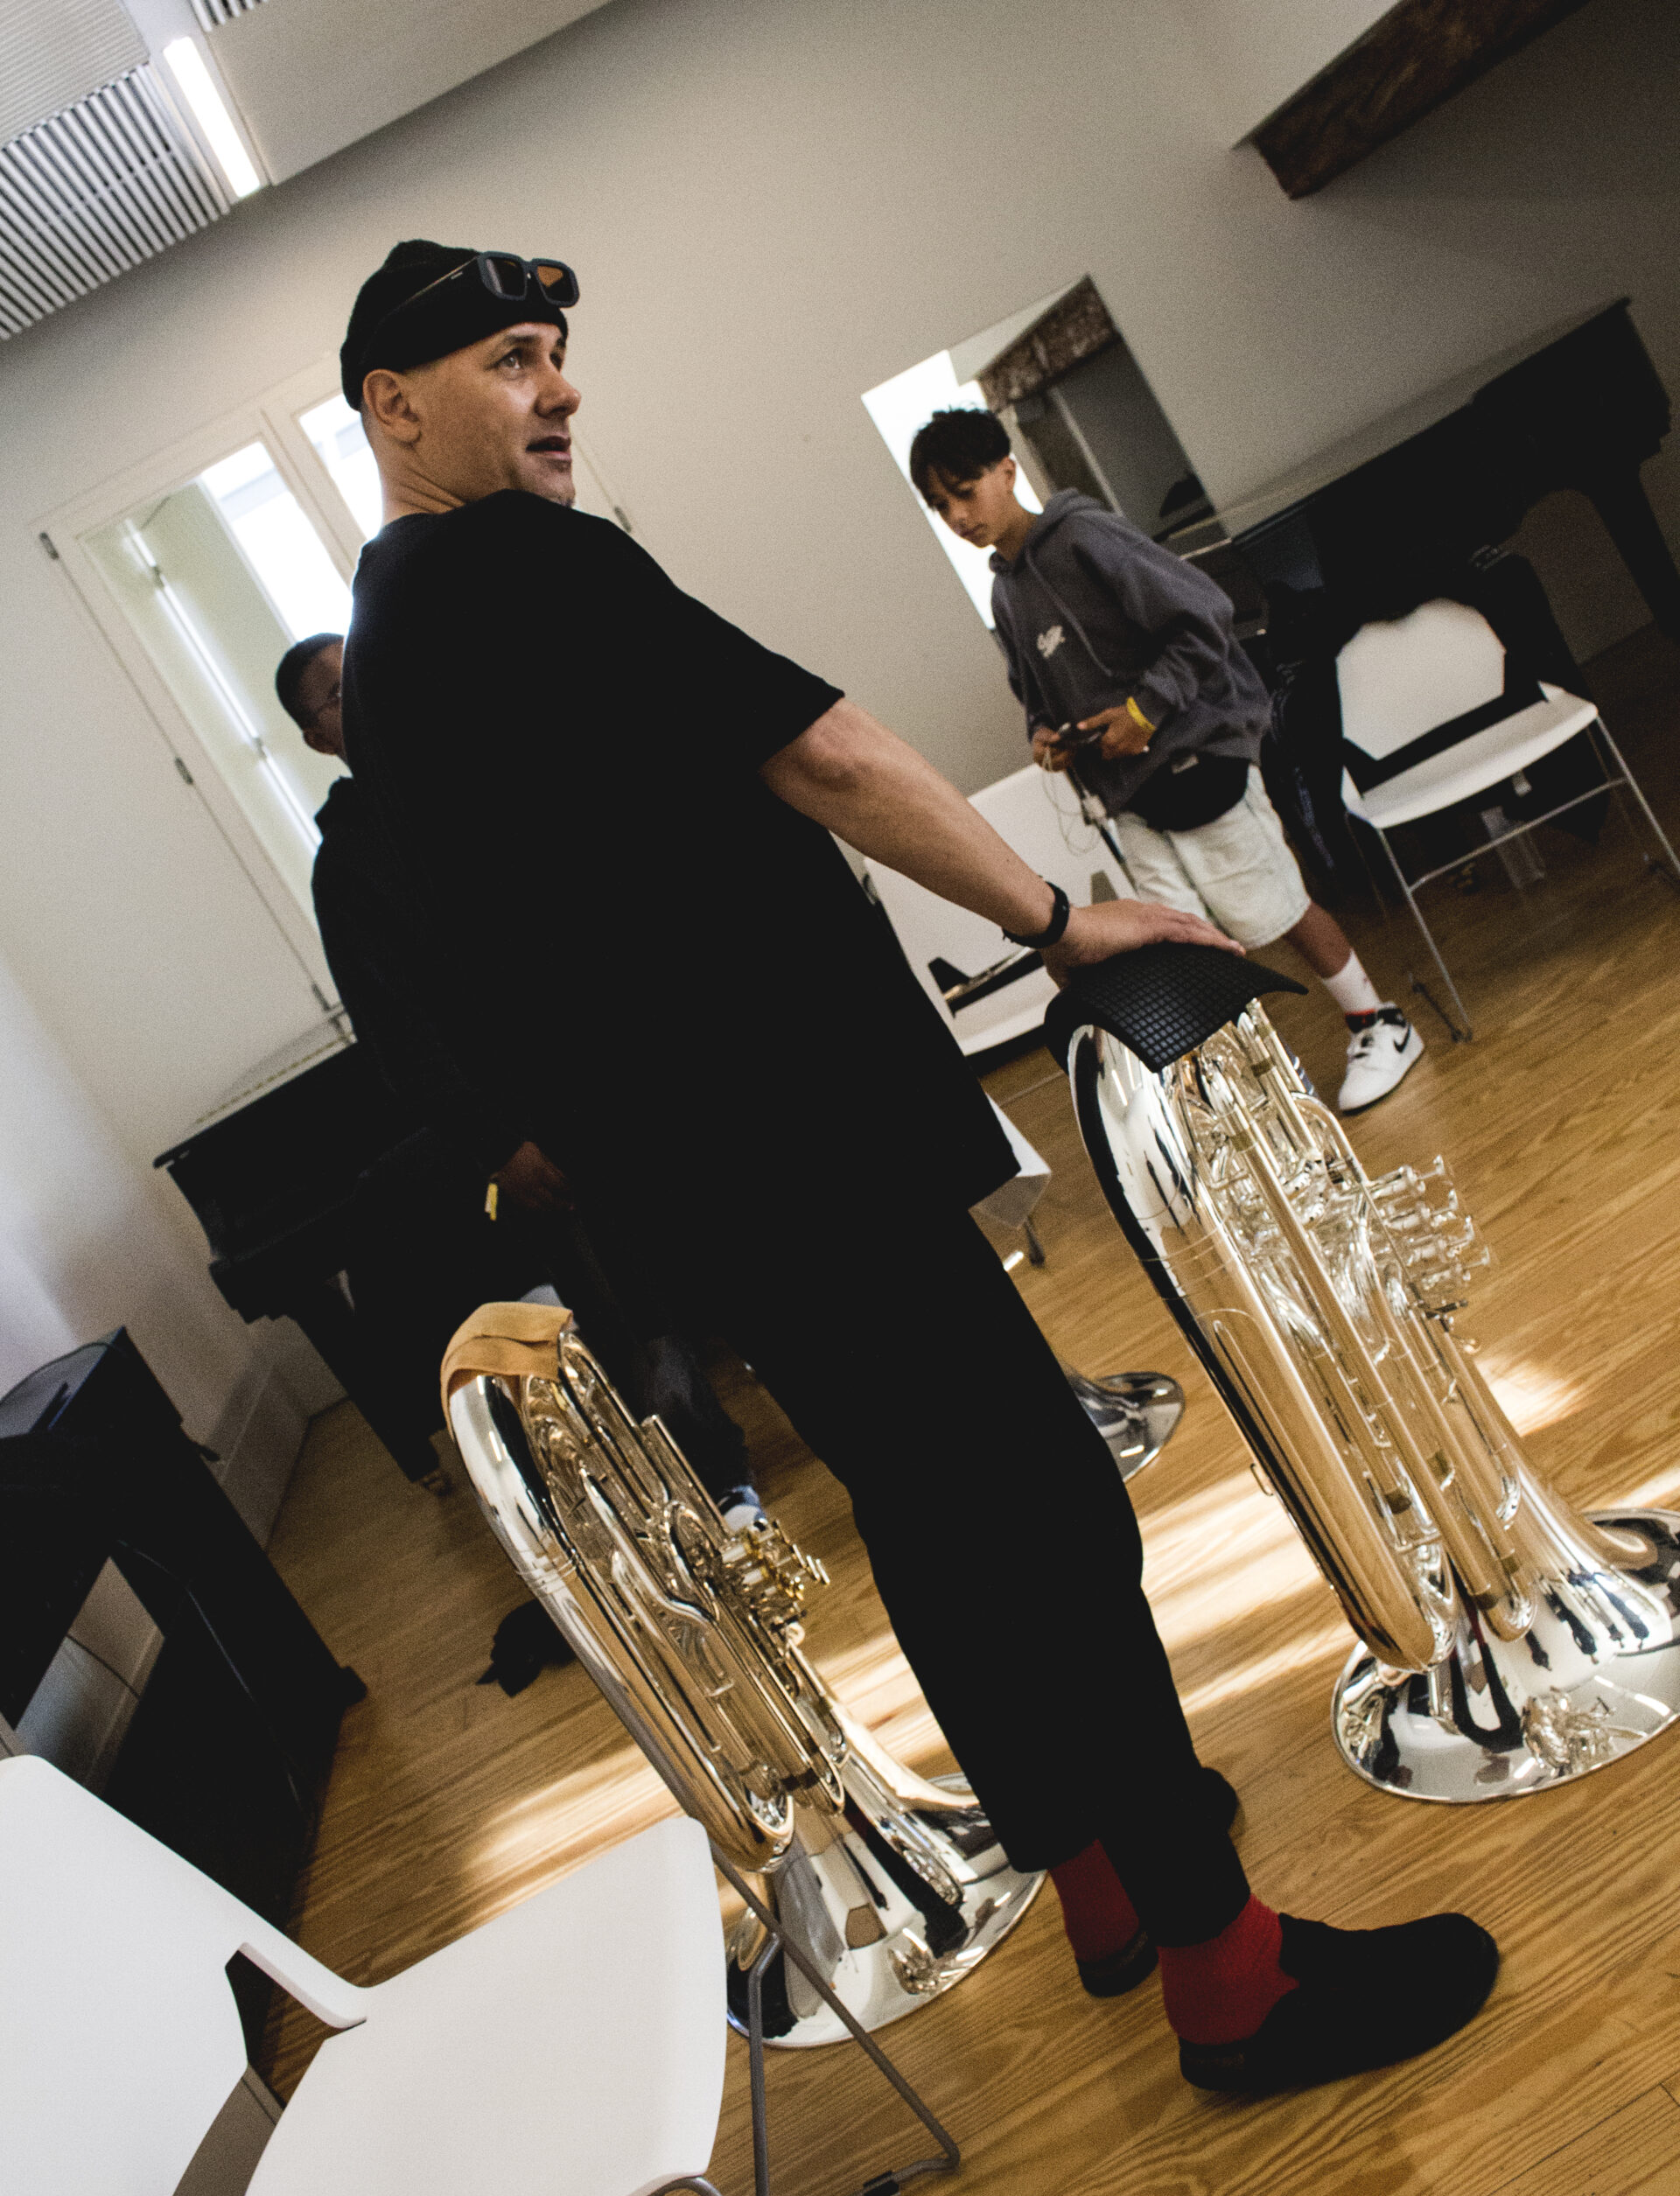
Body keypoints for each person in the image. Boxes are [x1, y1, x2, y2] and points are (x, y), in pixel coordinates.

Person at [332, 238, 1498, 2095]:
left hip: (706, 1179)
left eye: (554, 351)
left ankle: (1102, 1877)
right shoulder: (524, 563)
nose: (559, 389)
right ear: (394, 407)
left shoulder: (394, 634)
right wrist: (1054, 915)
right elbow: (823, 751)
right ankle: (1233, 1972)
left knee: (938, 1518)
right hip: (802, 1139)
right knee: (1044, 1511)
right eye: (509, 362)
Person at [275, 628, 764, 1534]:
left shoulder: (459, 779)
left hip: (612, 1072)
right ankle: (719, 1486)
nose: (365, 692)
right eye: (339, 692)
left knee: (711, 1247)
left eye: (364, 670)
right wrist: (497, 1143)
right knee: (625, 1308)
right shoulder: (345, 869)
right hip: (533, 1120)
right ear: (316, 737)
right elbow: (398, 1032)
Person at [908, 408, 1424, 1117]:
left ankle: (1379, 1024)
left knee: (1272, 904)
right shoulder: (1006, 591)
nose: (958, 516)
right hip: (1130, 796)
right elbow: (1034, 695)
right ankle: (1247, 1091)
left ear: (1007, 470)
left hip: (1200, 758)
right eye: (940, 506)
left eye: (964, 492)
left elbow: (1205, 613)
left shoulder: (1086, 536)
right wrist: (1044, 737)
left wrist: (1145, 712)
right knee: (1176, 939)